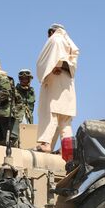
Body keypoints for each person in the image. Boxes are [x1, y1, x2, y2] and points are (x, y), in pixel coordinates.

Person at [35, 23, 79, 153]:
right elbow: (72, 63)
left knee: (51, 112)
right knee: (65, 120)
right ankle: (67, 150)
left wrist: (55, 65)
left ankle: (46, 144)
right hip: (67, 83)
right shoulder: (69, 44)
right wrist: (63, 66)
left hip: (55, 80)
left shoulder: (55, 39)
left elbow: (51, 60)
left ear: (51, 32)